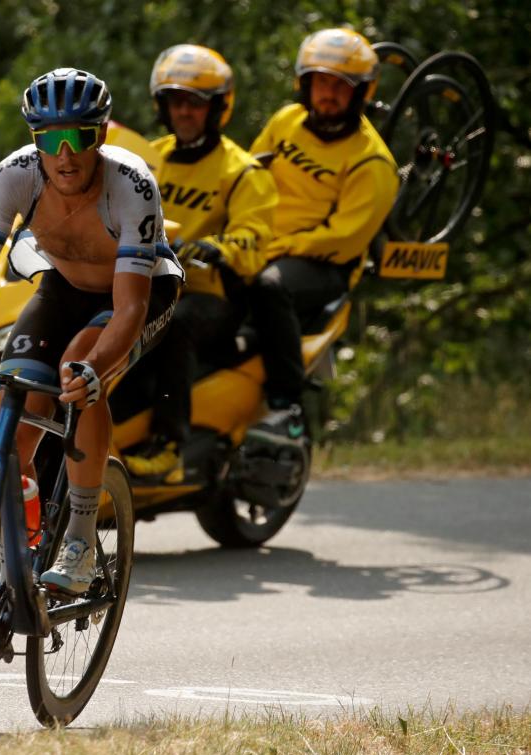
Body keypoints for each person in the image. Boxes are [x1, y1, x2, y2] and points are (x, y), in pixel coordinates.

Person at [0, 68, 182, 594]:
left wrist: (94, 370)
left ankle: (78, 536)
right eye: (51, 139)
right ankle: (23, 513)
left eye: (79, 136)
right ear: (37, 141)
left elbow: (128, 308)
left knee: (78, 366)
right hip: (63, 286)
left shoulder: (131, 183)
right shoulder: (14, 176)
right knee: (18, 391)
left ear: (100, 135)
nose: (66, 154)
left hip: (138, 294)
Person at [124, 44, 277, 483]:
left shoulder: (243, 171)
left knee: (174, 324)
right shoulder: (146, 159)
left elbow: (255, 237)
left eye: (195, 102)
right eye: (176, 101)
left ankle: (169, 445)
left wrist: (216, 246)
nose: (184, 111)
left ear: (217, 109)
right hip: (143, 279)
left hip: (211, 294)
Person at [247, 28, 399, 442]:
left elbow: (343, 239)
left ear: (361, 93)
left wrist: (280, 248)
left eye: (340, 85)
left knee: (267, 286)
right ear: (304, 84)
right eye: (321, 82)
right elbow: (248, 177)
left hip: (321, 265)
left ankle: (286, 408)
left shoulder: (372, 161)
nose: (328, 93)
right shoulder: (285, 122)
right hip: (263, 243)